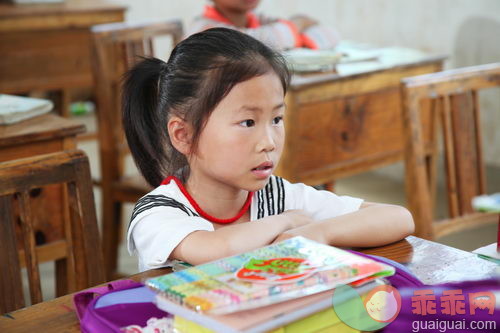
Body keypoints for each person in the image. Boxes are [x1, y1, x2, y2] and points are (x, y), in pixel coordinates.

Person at [123, 28, 414, 272]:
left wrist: (321, 231)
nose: (269, 142)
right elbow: (216, 248)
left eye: (276, 119)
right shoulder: (157, 213)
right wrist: (287, 222)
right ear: (183, 135)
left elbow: (399, 217)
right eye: (248, 122)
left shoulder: (277, 195)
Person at [186, 0, 341, 51]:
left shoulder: (258, 20)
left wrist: (293, 35)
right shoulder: (202, 30)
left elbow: (331, 35)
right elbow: (254, 43)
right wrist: (297, 25)